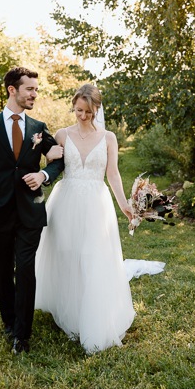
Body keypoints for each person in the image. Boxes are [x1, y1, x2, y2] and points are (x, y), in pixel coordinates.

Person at [35, 84, 136, 354]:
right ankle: (70, 309)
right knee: (67, 254)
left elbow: (112, 174)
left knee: (92, 256)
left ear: (96, 110)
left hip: (95, 203)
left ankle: (92, 314)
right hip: (66, 201)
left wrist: (124, 204)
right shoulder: (62, 134)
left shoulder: (109, 138)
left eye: (88, 112)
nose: (82, 116)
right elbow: (54, 165)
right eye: (78, 110)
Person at [0, 67, 65, 354]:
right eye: (30, 89)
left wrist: (44, 175)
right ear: (13, 90)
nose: (34, 94)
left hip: (30, 210)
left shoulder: (38, 127)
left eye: (36, 89)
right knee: (3, 270)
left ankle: (22, 335)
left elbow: (59, 159)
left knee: (25, 269)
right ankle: (10, 322)